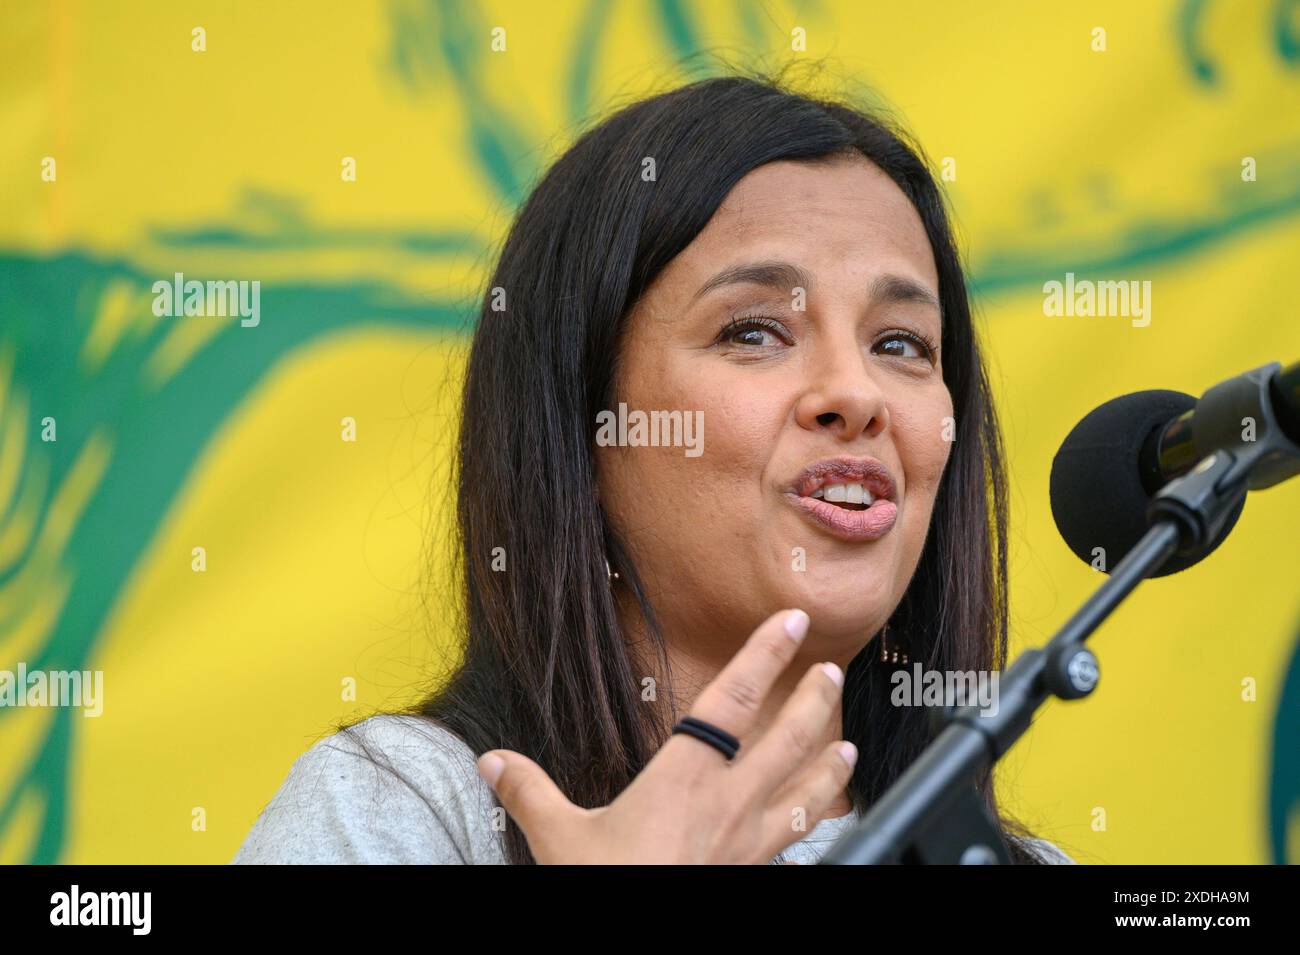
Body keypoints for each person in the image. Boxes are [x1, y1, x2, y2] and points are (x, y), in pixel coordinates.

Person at [234, 71, 1075, 865]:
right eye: (754, 330)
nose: (857, 395)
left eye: (901, 344)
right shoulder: (404, 807)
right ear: (583, 420)